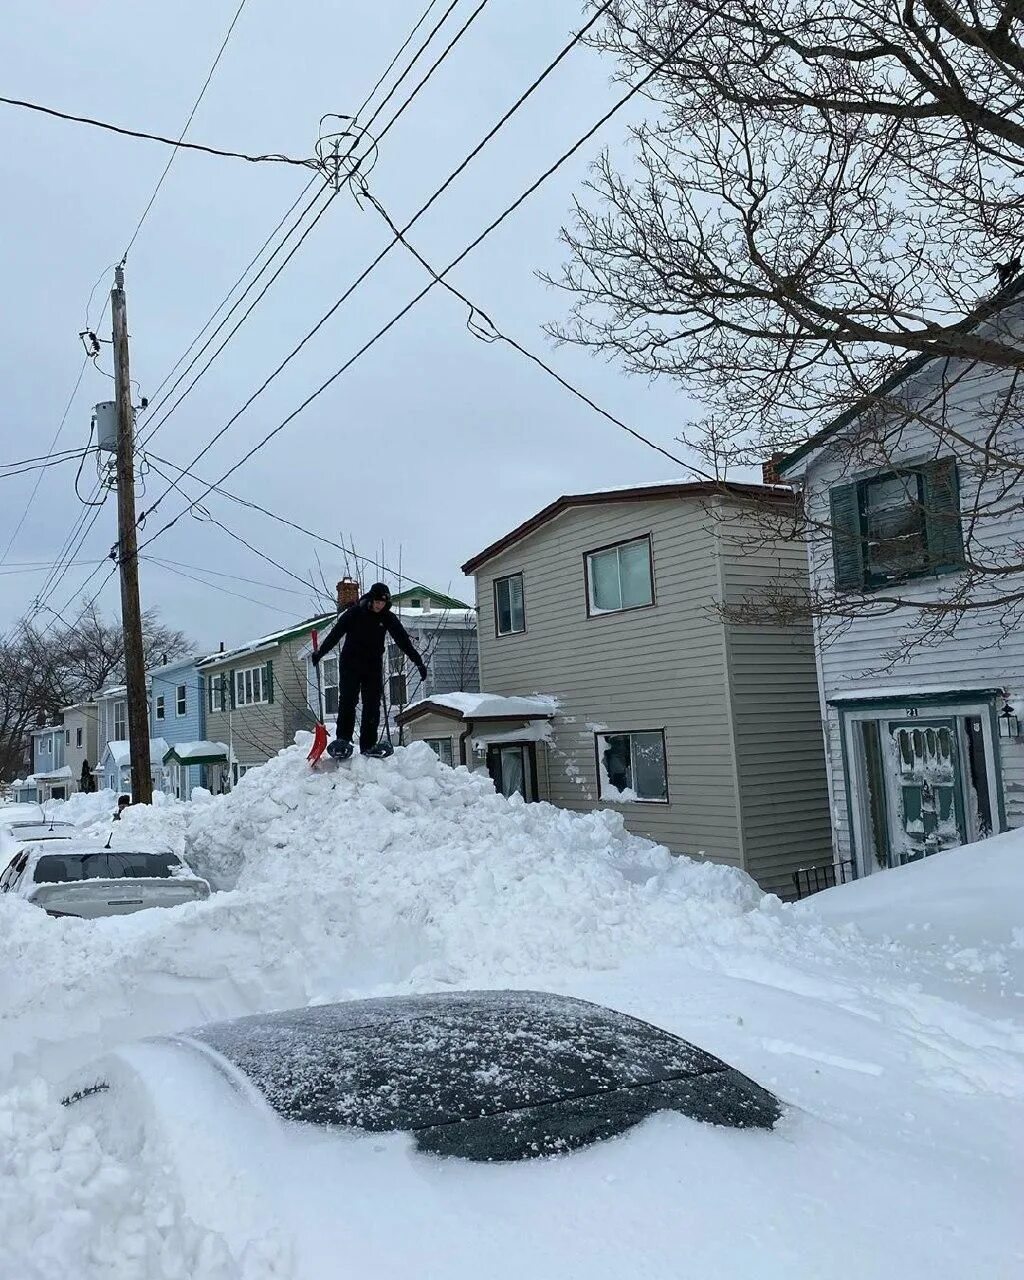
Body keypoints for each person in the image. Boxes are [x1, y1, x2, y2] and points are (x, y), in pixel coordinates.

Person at [312, 582, 427, 759]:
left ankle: (368, 744)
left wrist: (418, 662)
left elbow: (403, 641)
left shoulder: (387, 617)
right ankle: (343, 739)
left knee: (372, 703)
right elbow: (335, 634)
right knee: (348, 700)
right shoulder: (355, 613)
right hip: (350, 662)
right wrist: (320, 653)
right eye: (377, 602)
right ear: (371, 599)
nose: (379, 605)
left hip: (373, 665)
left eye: (383, 603)